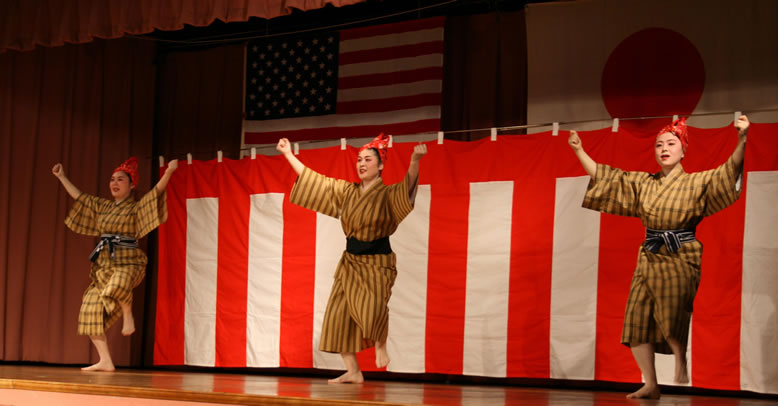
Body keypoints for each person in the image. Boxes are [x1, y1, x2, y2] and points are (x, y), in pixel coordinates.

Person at [568, 115, 749, 399]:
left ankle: (680, 359)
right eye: (659, 145)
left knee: (672, 309)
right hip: (650, 254)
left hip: (681, 254)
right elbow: (608, 178)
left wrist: (742, 139)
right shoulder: (644, 183)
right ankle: (651, 383)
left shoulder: (696, 183)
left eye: (671, 143)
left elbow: (728, 172)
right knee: (637, 320)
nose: (664, 148)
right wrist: (579, 150)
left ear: (683, 149)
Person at [277, 134, 426, 383]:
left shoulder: (388, 194)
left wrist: (414, 162)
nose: (362, 163)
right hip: (350, 261)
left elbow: (407, 189)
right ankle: (353, 370)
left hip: (378, 261)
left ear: (380, 165)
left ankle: (380, 344)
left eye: (368, 159)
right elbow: (316, 181)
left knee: (373, 309)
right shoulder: (347, 192)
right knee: (338, 315)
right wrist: (288, 155)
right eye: (359, 159)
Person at [52, 157, 178, 371]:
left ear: (132, 185)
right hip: (104, 263)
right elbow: (80, 197)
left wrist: (168, 173)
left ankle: (128, 316)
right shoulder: (103, 207)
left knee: (118, 283)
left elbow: (155, 193)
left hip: (128, 261)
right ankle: (106, 361)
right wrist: (61, 176)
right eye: (112, 179)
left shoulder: (136, 208)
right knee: (89, 310)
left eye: (120, 179)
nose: (115, 183)